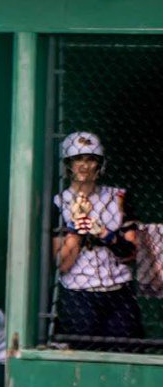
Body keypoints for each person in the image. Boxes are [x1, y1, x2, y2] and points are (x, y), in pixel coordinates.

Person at [51, 131, 143, 351]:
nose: (84, 165)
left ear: (99, 164)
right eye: (77, 159)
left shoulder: (117, 197)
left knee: (128, 352)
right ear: (68, 164)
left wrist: (105, 234)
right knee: (82, 353)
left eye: (91, 159)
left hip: (118, 289)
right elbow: (62, 264)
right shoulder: (58, 202)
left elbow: (132, 253)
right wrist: (77, 228)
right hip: (79, 292)